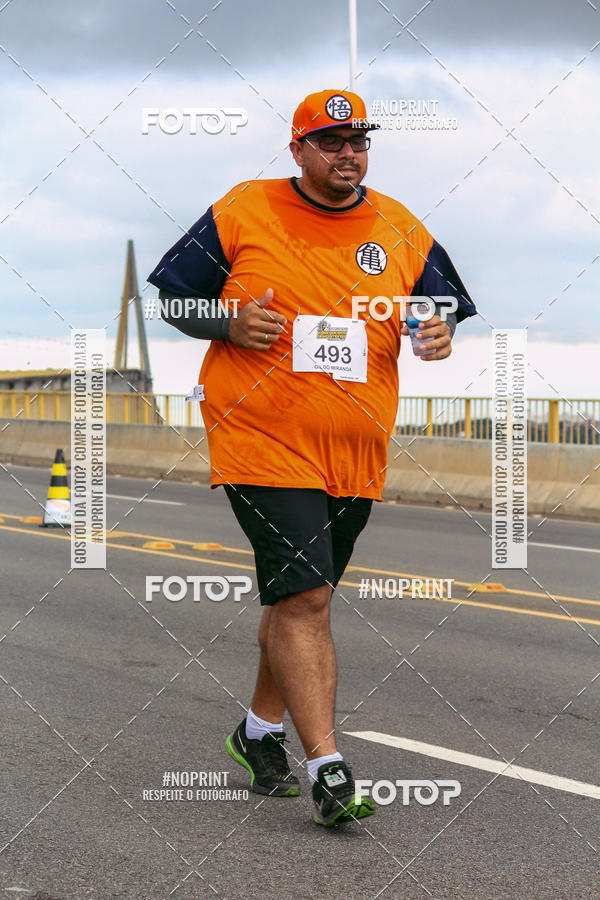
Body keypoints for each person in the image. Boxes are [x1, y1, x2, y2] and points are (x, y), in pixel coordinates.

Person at [147, 88, 477, 827]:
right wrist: (226, 322)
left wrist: (439, 330)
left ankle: (257, 733)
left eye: (358, 141)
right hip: (260, 437)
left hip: (355, 447)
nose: (347, 154)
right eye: (330, 142)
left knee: (301, 594)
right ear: (298, 149)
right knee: (307, 599)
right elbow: (173, 297)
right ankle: (329, 769)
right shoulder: (244, 208)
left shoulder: (399, 225)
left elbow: (440, 305)